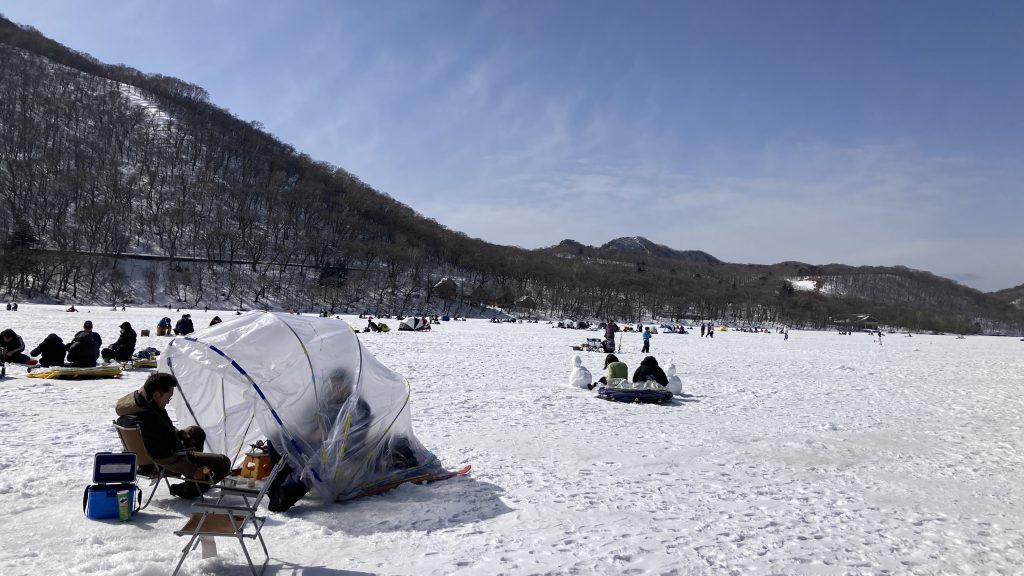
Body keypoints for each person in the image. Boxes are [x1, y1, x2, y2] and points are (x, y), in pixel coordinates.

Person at [115, 373, 231, 499]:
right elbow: (162, 457)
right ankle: (189, 489)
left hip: (160, 452)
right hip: (166, 460)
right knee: (223, 463)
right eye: (168, 398)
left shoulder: (144, 405)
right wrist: (192, 470)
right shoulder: (148, 420)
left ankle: (195, 480)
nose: (168, 402)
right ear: (157, 395)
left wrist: (181, 435)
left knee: (195, 432)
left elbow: (162, 430)